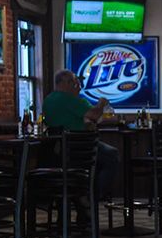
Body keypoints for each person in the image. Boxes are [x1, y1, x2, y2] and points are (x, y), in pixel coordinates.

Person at [42, 69, 119, 222]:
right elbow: (95, 115)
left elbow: (71, 120)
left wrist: (87, 122)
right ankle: (89, 198)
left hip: (57, 154)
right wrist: (102, 103)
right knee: (112, 155)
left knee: (96, 165)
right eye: (73, 82)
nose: (76, 85)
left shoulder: (49, 99)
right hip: (79, 149)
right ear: (64, 83)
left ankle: (82, 200)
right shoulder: (68, 99)